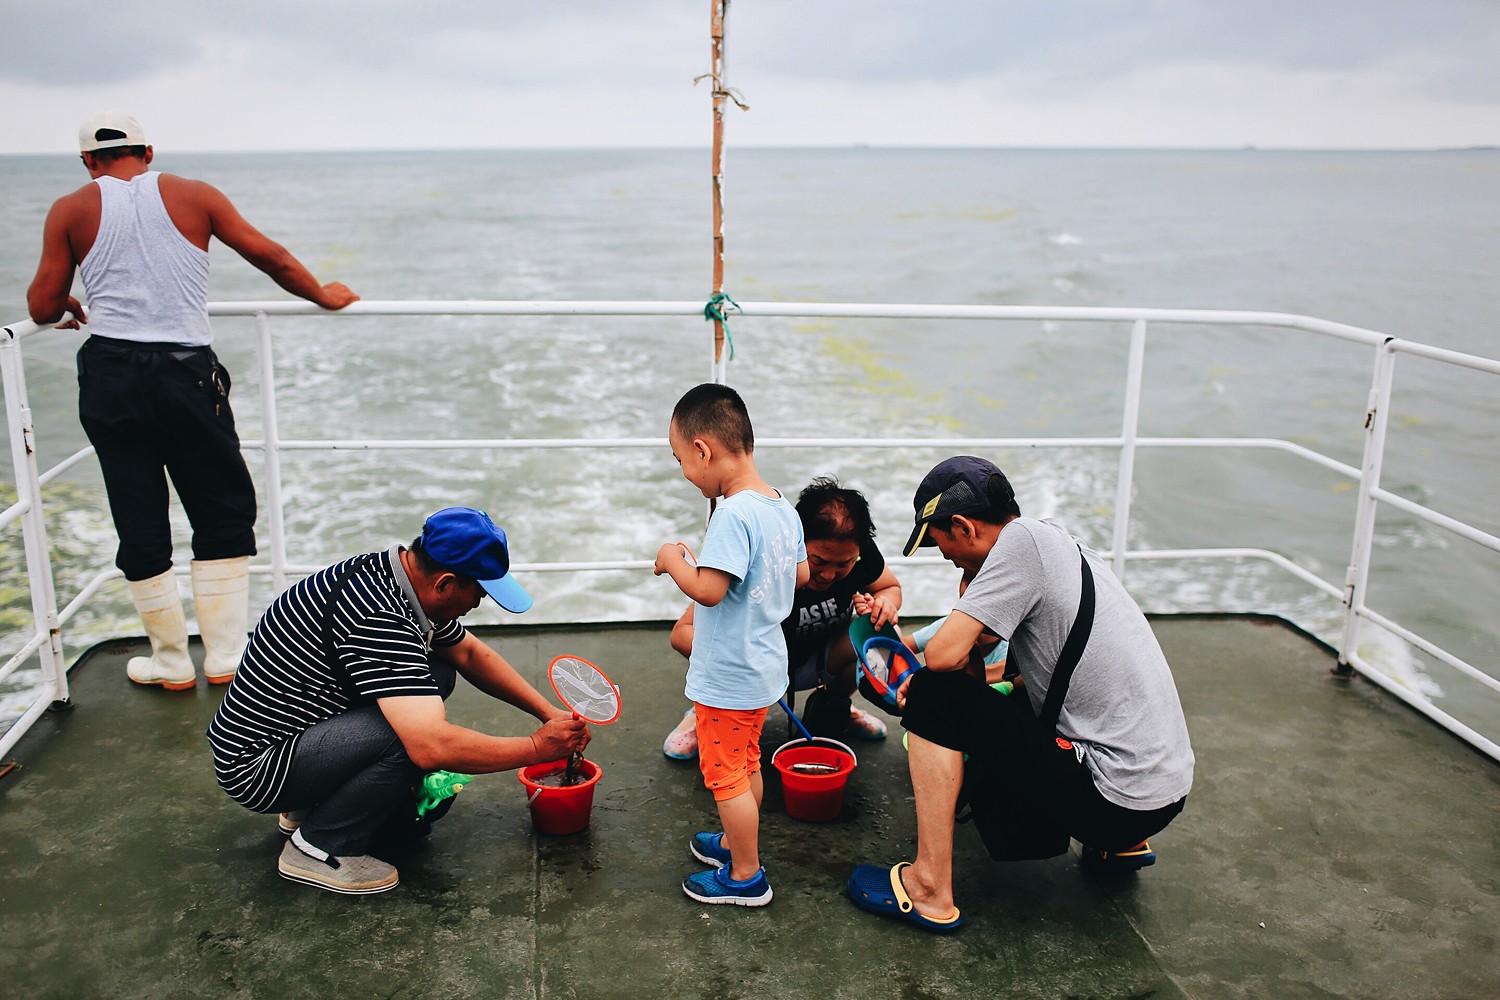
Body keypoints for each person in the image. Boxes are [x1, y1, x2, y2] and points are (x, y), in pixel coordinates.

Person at [26, 111, 359, 693]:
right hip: (184, 374)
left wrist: (70, 303)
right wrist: (323, 295)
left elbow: (40, 307)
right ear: (148, 152)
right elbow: (271, 256)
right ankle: (227, 657)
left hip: (111, 374)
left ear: (87, 162)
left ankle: (171, 661)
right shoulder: (194, 195)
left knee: (137, 509)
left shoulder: (71, 209)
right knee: (221, 505)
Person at [848, 456, 1194, 933]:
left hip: (1112, 800)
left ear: (963, 526)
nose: (948, 558)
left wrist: (965, 612)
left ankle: (928, 888)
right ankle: (1124, 845)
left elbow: (943, 659)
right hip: (1158, 795)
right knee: (987, 695)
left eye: (942, 545)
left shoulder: (1019, 548)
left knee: (930, 692)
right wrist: (981, 640)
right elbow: (1017, 681)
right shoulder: (1056, 541)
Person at [207, 507, 590, 895]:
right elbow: (430, 746)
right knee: (409, 738)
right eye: (479, 591)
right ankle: (319, 846)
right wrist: (537, 748)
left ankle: (308, 808)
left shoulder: (395, 577)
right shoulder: (378, 616)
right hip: (258, 768)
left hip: (291, 732)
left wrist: (548, 713)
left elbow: (469, 655)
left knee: (437, 672)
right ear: (445, 583)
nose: (478, 604)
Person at [653, 383, 807, 907]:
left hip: (729, 675)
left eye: (681, 460)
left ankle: (745, 875)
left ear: (703, 449)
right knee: (745, 766)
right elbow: (802, 571)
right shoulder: (781, 507)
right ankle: (736, 841)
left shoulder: (733, 513)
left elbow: (709, 591)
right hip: (763, 668)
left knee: (724, 777)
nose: (684, 472)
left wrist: (674, 560)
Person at [662, 477, 902, 757]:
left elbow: (890, 587)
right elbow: (682, 633)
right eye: (818, 562)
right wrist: (739, 664)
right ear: (796, 542)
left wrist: (884, 604)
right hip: (754, 665)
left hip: (818, 660)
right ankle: (706, 713)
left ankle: (835, 703)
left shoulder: (860, 555)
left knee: (877, 633)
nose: (828, 575)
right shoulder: (768, 558)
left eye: (843, 564)